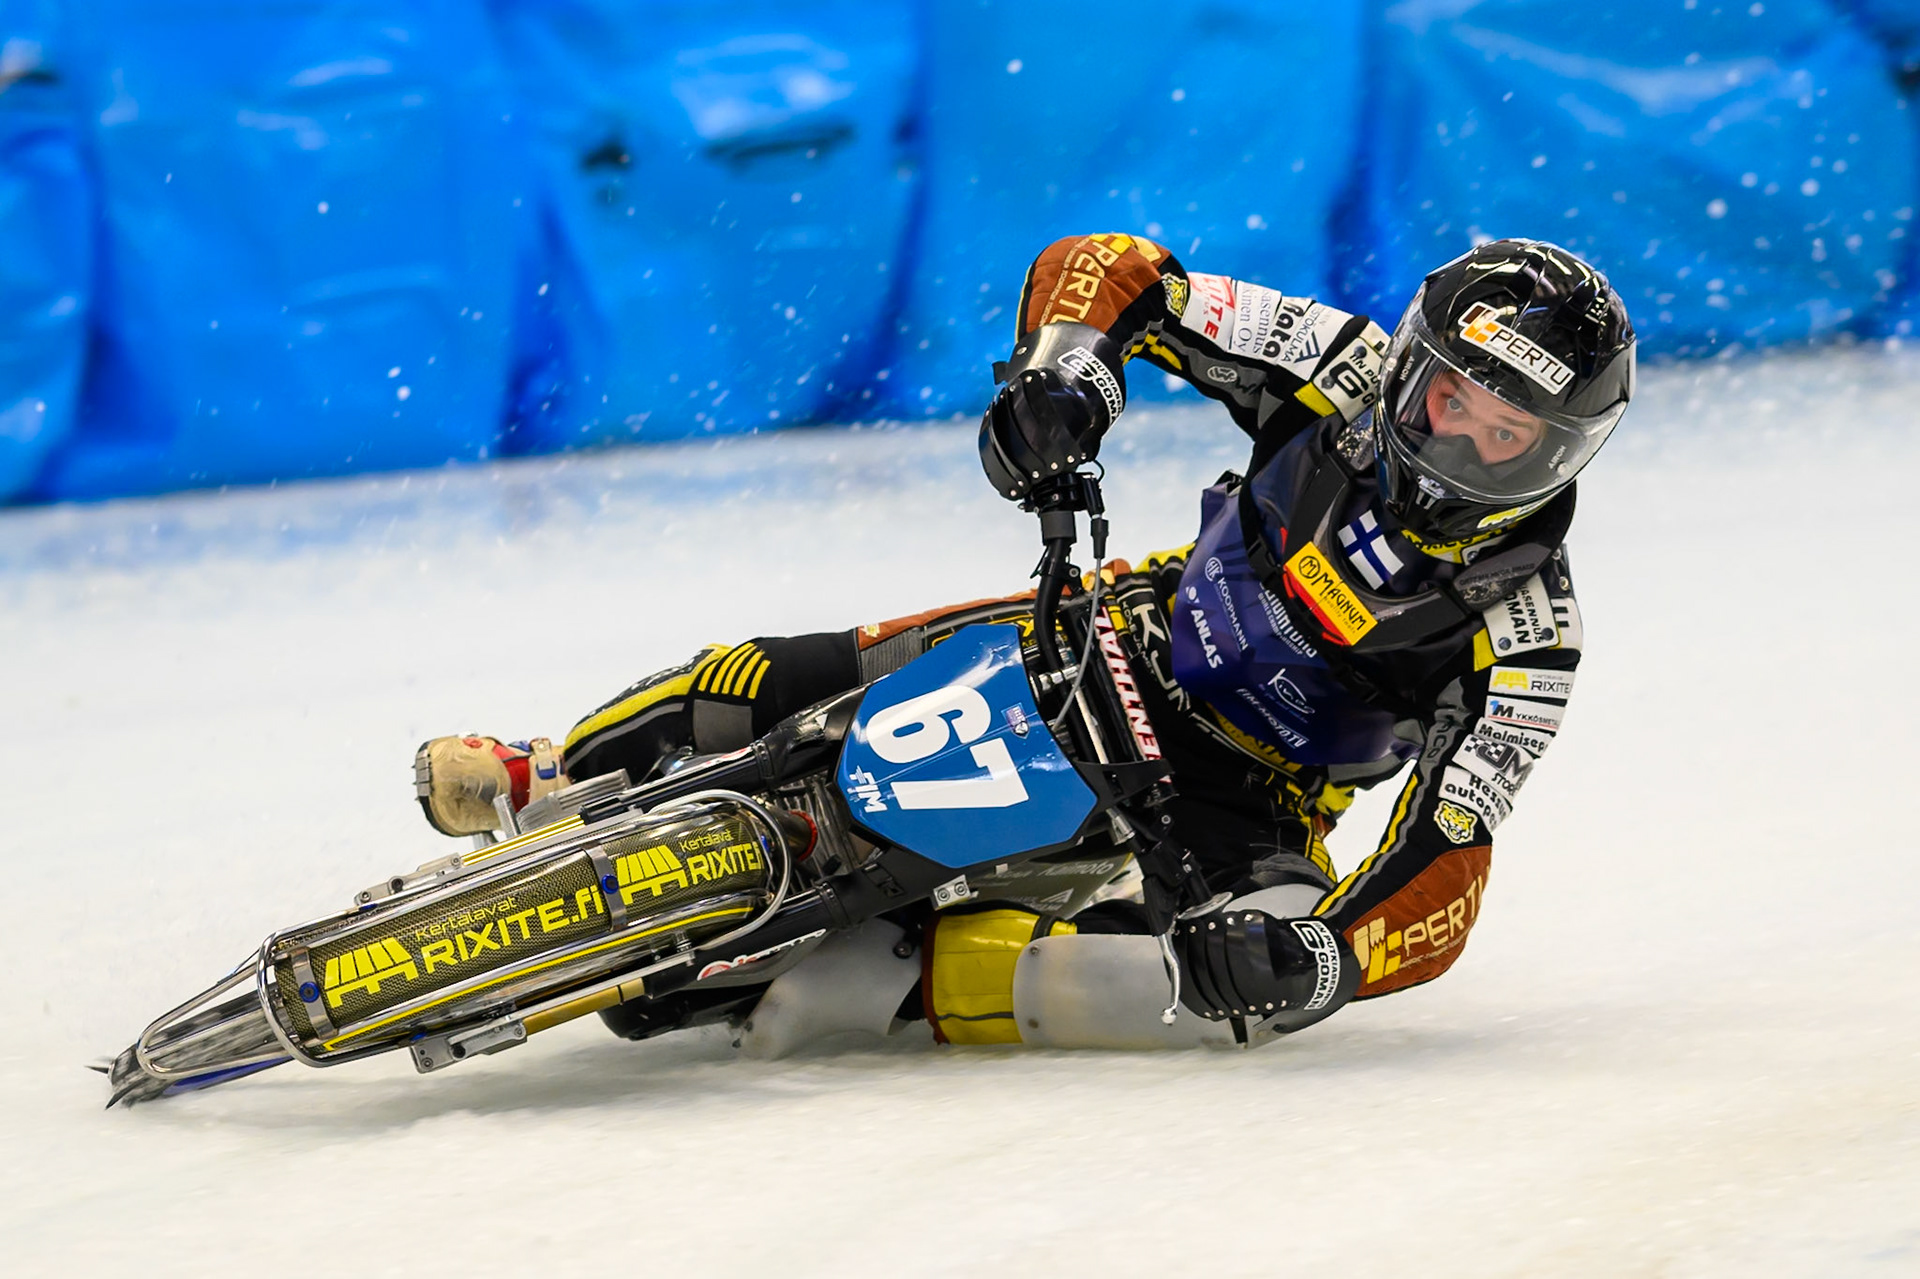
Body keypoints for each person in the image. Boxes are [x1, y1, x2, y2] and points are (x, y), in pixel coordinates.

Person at [414, 235, 1635, 1052]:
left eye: (1507, 431)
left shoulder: (1532, 640)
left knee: (1215, 1003)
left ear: (1566, 452)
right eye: (1450, 396)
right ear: (1414, 363)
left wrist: (1319, 958)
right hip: (1123, 635)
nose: (1457, 438)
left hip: (1251, 806)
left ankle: (911, 980)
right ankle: (554, 769)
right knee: (780, 674)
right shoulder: (1343, 364)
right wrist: (1066, 383)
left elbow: (1447, 860)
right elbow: (1116, 270)